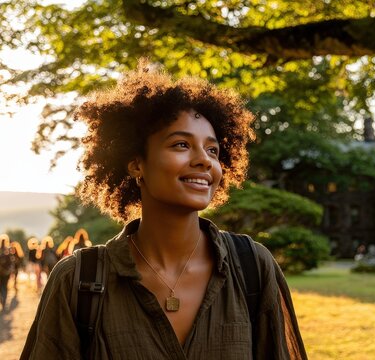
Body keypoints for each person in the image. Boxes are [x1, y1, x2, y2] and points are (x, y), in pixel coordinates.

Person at [22, 60, 306, 359]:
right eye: (181, 144)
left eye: (213, 150)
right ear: (136, 164)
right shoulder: (77, 282)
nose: (204, 160)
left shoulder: (252, 268)